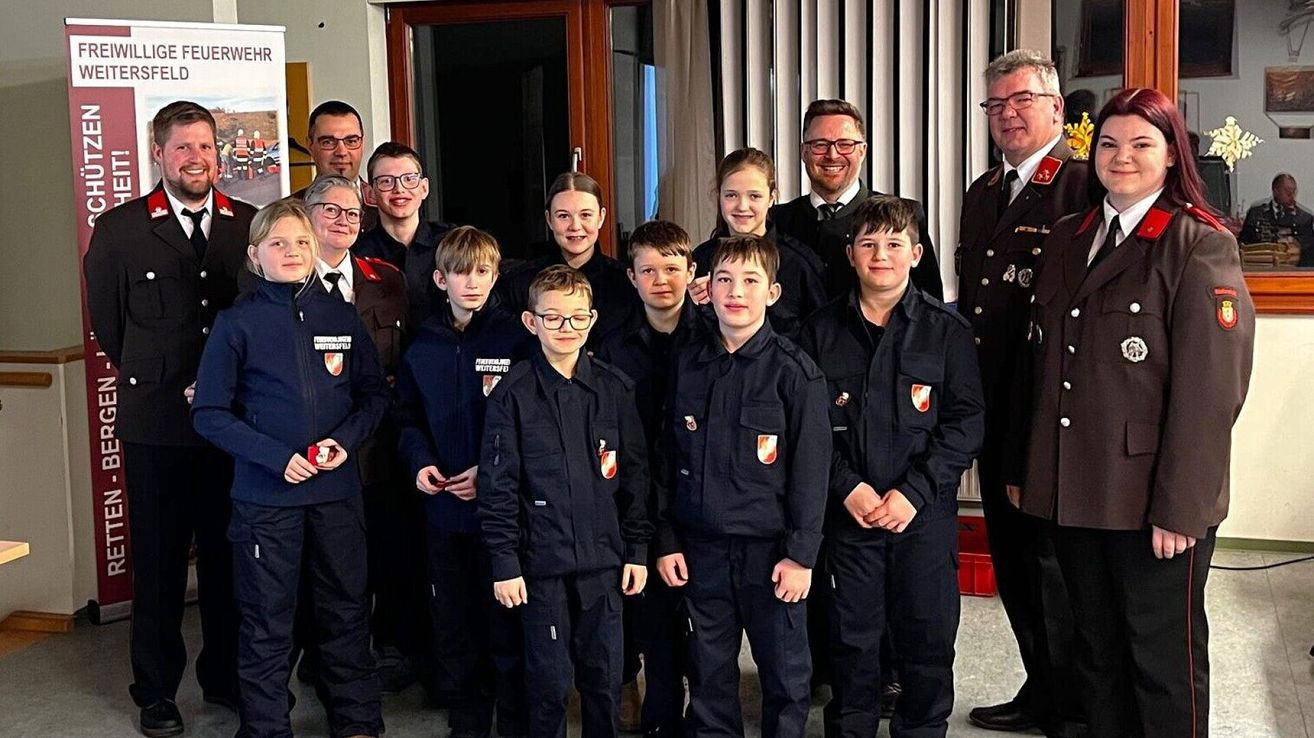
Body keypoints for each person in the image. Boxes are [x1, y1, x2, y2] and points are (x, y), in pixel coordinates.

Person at [1011, 87, 1255, 738]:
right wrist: (1032, 472)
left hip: (1152, 502)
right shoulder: (1071, 237)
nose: (1122, 157)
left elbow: (1211, 395)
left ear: (1173, 155)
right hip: (1076, 493)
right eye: (1110, 144)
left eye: (1142, 143)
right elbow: (1045, 370)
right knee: (1095, 659)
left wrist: (1181, 508)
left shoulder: (1197, 244)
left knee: (1161, 665)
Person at [82, 100, 253, 738]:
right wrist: (165, 381)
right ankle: (156, 691)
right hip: (156, 424)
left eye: (205, 146)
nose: (195, 159)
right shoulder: (122, 229)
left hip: (231, 423)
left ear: (219, 152)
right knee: (156, 563)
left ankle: (226, 675)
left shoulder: (247, 226)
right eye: (182, 147)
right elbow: (110, 325)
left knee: (226, 556)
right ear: (159, 154)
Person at [191, 199, 389, 738]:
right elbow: (208, 413)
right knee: (267, 623)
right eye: (278, 243)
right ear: (256, 255)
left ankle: (358, 722)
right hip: (265, 501)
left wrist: (343, 444)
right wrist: (278, 459)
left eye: (302, 242)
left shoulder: (339, 314)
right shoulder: (236, 324)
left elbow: (372, 397)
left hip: (336, 496)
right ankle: (266, 729)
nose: (292, 252)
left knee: (347, 613)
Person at [798, 196, 985, 737]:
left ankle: (922, 730)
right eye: (869, 244)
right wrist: (846, 486)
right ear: (851, 254)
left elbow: (965, 424)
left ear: (916, 253)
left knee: (926, 638)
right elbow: (804, 432)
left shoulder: (946, 332)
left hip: (922, 519)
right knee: (851, 642)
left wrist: (914, 493)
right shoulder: (817, 331)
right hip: (849, 518)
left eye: (894, 244)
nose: (881, 255)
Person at [955, 49, 1090, 736]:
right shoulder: (984, 194)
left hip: (1048, 415)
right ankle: (1041, 687)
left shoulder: (1081, 190)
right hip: (994, 409)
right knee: (1013, 563)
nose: (1008, 114)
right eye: (996, 104)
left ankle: (1071, 707)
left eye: (1022, 100)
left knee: (1052, 571)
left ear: (1057, 109)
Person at [654, 235, 830, 738]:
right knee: (708, 673)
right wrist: (666, 541)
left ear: (771, 293)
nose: (736, 292)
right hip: (701, 548)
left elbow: (811, 474)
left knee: (786, 675)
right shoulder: (688, 363)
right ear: (706, 288)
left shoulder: (796, 375)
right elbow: (669, 457)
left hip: (772, 555)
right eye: (724, 280)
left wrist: (801, 556)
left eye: (750, 281)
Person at [478, 265, 653, 738]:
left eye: (577, 318)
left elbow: (635, 479)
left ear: (592, 320)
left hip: (604, 564)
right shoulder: (510, 395)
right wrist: (504, 562)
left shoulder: (615, 389)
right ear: (531, 322)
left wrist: (637, 551)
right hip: (541, 566)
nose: (566, 329)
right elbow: (498, 488)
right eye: (553, 318)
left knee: (604, 678)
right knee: (549, 683)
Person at [395, 225, 532, 738]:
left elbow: (529, 423)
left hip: (503, 513)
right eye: (460, 273)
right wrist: (420, 462)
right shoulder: (422, 345)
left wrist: (492, 474)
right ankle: (467, 720)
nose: (471, 282)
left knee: (507, 618)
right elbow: (406, 417)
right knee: (453, 620)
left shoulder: (516, 339)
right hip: (443, 512)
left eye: (481, 272)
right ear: (439, 278)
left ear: (496, 276)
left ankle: (515, 718)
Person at [292, 175, 415, 694]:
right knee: (320, 574)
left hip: (378, 446)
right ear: (306, 214)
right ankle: (322, 669)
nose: (343, 221)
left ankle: (376, 663)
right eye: (330, 211)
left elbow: (401, 363)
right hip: (313, 450)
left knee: (383, 561)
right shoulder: (282, 278)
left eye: (352, 213)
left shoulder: (385, 278)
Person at [595, 220, 709, 736]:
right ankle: (658, 719)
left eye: (671, 268)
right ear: (631, 277)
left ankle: (706, 718)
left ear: (691, 271)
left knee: (709, 630)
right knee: (654, 624)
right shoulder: (610, 346)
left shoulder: (716, 335)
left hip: (707, 502)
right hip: (639, 503)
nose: (661, 279)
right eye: (648, 270)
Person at [770, 99, 942, 300]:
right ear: (804, 152)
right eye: (820, 145)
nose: (832, 155)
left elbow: (929, 306)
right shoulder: (776, 221)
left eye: (845, 144)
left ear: (863, 151)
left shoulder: (906, 215)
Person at [687, 148, 827, 340]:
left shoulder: (799, 263)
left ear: (771, 198)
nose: (742, 206)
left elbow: (821, 337)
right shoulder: (700, 260)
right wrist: (688, 304)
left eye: (754, 196)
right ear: (718, 196)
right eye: (731, 195)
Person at [493, 172, 640, 347]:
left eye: (585, 215)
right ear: (549, 219)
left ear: (601, 217)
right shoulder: (517, 283)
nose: (575, 226)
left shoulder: (626, 284)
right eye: (563, 216)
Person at [353, 141, 453, 330]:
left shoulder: (452, 243)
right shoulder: (356, 254)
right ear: (370, 194)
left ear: (424, 188)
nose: (399, 189)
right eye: (386, 181)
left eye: (409, 179)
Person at [292, 100, 378, 230]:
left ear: (363, 143)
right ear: (310, 145)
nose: (341, 152)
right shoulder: (289, 211)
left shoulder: (385, 207)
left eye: (351, 141)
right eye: (328, 142)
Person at [1239, 172, 1314, 265]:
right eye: (1287, 190)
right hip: (1258, 267)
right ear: (1275, 190)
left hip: (1290, 270)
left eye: (1294, 191)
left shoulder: (1304, 218)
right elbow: (1244, 242)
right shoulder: (1256, 213)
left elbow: (1308, 252)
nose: (1291, 195)